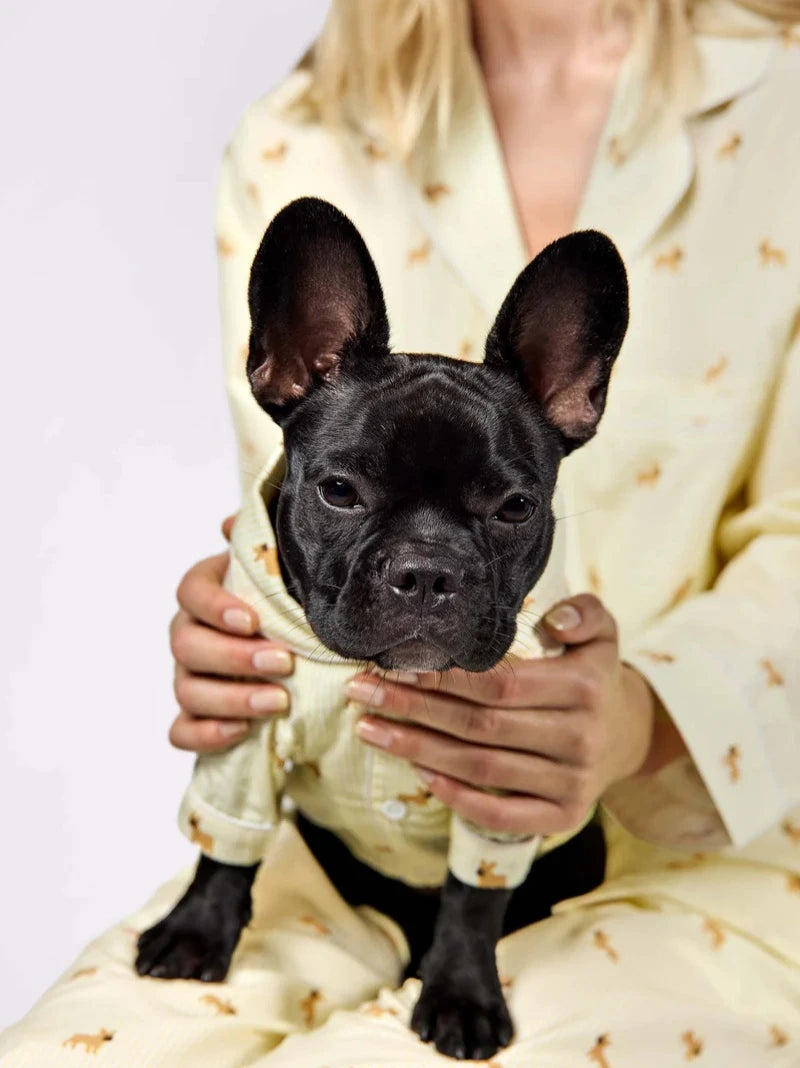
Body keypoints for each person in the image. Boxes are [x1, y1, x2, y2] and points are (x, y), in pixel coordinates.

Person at [2, 0, 799, 1064]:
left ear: (576, 396)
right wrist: (237, 629)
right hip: (328, 847)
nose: (422, 572)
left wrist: (640, 718)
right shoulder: (300, 131)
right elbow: (290, 512)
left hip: (696, 854)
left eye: (507, 507)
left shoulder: (782, 103)